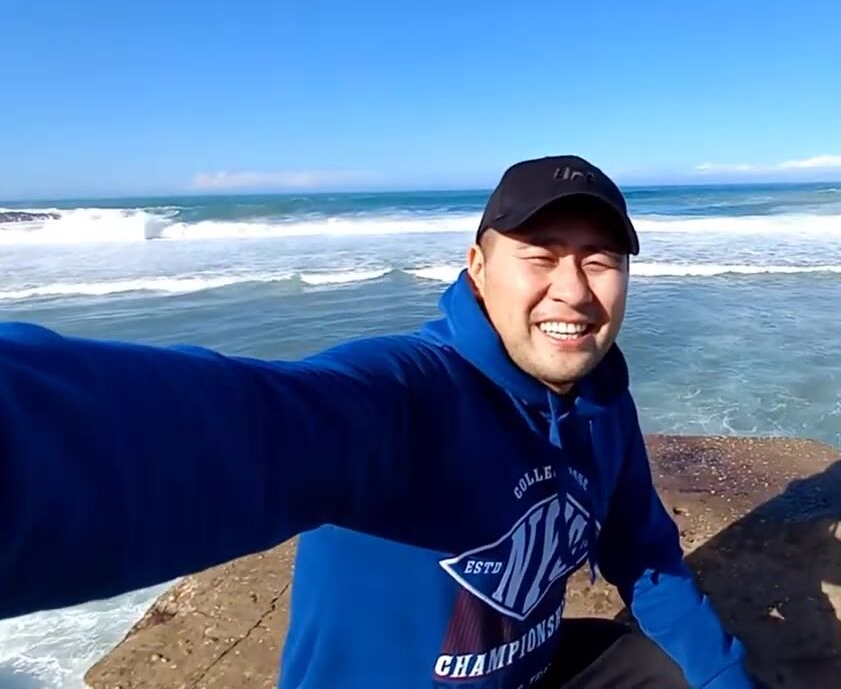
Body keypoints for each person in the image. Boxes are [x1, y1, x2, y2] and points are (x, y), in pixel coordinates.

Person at [0, 155, 757, 688]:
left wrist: (728, 680)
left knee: (663, 668)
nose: (574, 290)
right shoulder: (409, 395)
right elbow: (229, 429)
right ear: (477, 268)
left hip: (529, 670)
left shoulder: (602, 403)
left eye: (599, 260)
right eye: (540, 255)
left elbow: (643, 553)